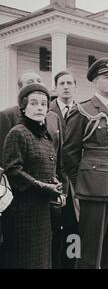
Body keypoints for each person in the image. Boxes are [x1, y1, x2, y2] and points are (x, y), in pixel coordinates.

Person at [63, 58, 108, 269]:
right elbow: (69, 153)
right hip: (93, 188)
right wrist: (82, 184)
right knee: (90, 250)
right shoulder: (83, 110)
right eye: (106, 77)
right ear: (95, 81)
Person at [0, 71, 65, 266]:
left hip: (43, 211)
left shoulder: (45, 136)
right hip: (22, 211)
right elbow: (13, 170)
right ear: (24, 107)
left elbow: (48, 167)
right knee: (24, 259)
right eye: (34, 103)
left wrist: (55, 184)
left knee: (42, 259)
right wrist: (43, 187)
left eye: (44, 104)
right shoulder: (18, 133)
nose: (40, 108)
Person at [49, 71, 79, 269]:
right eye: (62, 83)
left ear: (75, 86)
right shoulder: (46, 110)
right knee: (52, 229)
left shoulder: (83, 111)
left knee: (75, 227)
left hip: (76, 181)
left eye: (69, 83)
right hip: (53, 179)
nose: (66, 86)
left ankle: (72, 264)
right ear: (56, 87)